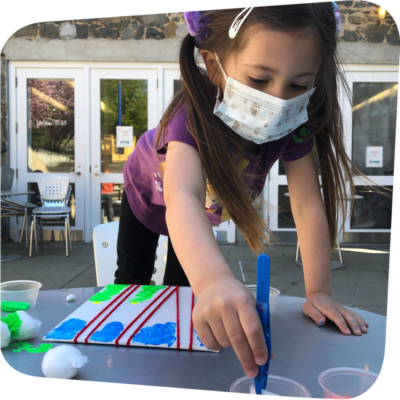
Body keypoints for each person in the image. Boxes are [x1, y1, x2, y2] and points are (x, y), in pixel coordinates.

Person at [116, 4, 370, 378]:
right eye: (259, 80)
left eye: (299, 85)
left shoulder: (292, 124)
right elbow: (182, 196)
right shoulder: (191, 113)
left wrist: (319, 292)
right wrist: (215, 279)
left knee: (185, 290)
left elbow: (306, 204)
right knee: (132, 283)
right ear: (215, 66)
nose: (280, 101)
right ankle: (125, 365)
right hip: (146, 193)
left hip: (193, 216)